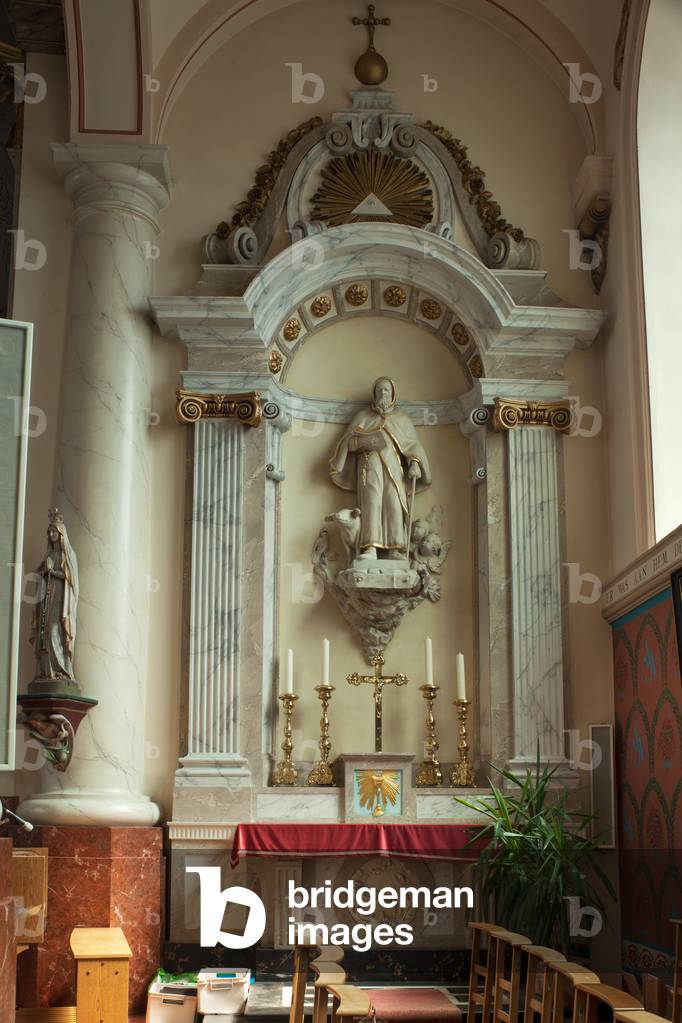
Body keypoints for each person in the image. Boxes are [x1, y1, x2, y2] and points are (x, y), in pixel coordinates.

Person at [329, 377, 431, 558]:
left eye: (386, 390)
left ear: (393, 394)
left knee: (393, 503)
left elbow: (412, 445)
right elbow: (348, 444)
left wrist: (415, 464)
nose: (383, 394)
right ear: (374, 394)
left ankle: (395, 549)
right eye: (379, 391)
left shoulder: (402, 419)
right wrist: (361, 442)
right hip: (369, 465)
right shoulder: (362, 417)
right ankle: (370, 548)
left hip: (394, 468)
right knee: (371, 502)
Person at [30, 510, 79, 680]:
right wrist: (43, 571)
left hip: (60, 597)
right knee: (44, 634)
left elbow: (70, 577)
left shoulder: (68, 555)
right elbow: (40, 573)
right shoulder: (49, 554)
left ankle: (62, 670)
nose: (51, 534)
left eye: (54, 531)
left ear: (61, 534)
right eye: (49, 532)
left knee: (54, 631)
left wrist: (52, 571)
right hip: (46, 597)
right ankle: (47, 672)